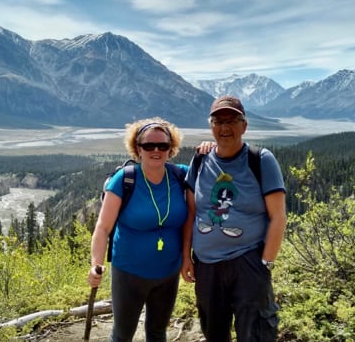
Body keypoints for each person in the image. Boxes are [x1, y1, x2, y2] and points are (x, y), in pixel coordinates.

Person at [181, 95, 287, 341]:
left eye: (232, 120)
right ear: (211, 126)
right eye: (218, 121)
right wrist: (186, 256)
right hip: (206, 265)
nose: (225, 127)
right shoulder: (200, 160)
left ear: (244, 126)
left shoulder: (260, 160)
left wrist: (266, 263)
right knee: (213, 333)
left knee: (255, 333)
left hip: (248, 262)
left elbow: (278, 216)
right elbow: (191, 213)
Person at [88, 117, 189, 342]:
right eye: (148, 145)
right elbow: (103, 228)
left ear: (171, 149)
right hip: (129, 273)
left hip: (168, 273)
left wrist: (208, 148)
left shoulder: (180, 175)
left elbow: (213, 170)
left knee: (157, 333)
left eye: (162, 145)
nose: (156, 150)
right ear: (137, 149)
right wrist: (96, 263)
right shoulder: (124, 180)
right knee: (123, 335)